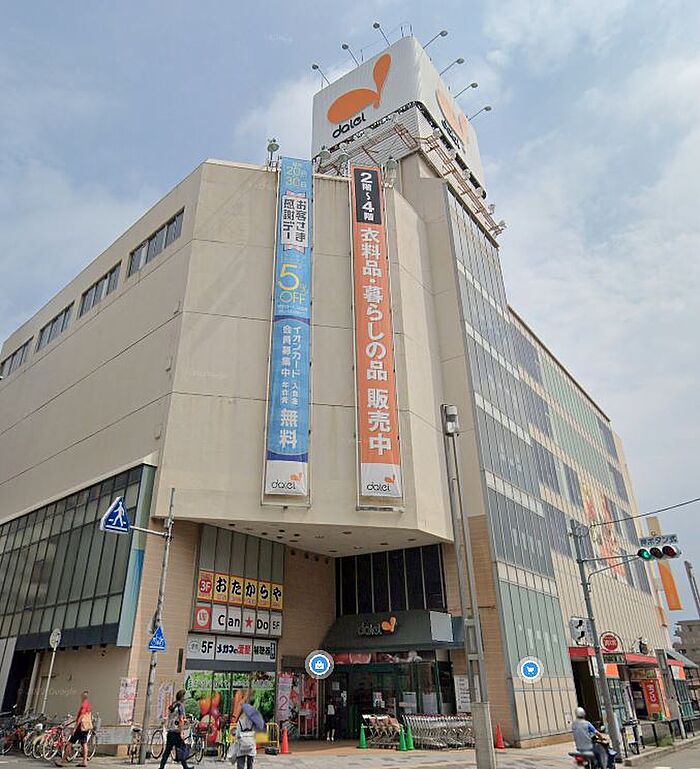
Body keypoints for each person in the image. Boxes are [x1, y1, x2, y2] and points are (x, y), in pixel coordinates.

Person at [57, 691, 92, 767]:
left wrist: (75, 728)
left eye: (81, 696)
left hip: (80, 727)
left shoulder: (84, 704)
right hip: (85, 727)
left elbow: (81, 716)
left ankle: (63, 761)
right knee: (84, 743)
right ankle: (84, 761)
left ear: (83, 697)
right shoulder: (88, 704)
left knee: (70, 743)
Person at [159, 690, 192, 769]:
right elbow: (180, 719)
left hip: (170, 731)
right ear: (182, 697)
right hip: (176, 731)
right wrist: (181, 732)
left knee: (167, 751)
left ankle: (161, 767)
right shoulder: (181, 706)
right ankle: (185, 767)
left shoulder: (173, 704)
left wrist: (184, 720)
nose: (186, 699)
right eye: (185, 697)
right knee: (183, 748)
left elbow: (174, 717)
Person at [230, 691, 262, 769]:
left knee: (240, 764)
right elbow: (257, 731)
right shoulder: (254, 720)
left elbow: (237, 734)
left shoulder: (240, 721)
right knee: (250, 765)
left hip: (241, 746)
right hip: (251, 745)